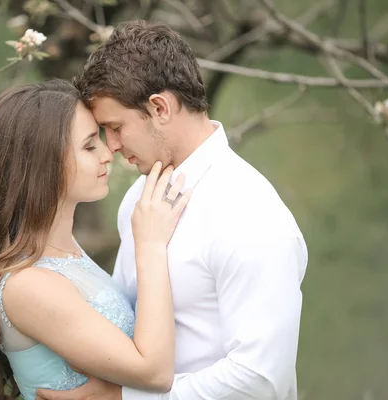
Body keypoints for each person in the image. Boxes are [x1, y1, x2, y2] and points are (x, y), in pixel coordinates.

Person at [36, 20, 308, 400]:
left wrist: (123, 398)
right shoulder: (137, 198)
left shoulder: (252, 216)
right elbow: (127, 325)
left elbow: (261, 379)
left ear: (160, 107)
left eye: (115, 127)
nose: (110, 146)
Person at [0, 79, 192, 400]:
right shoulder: (28, 284)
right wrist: (150, 246)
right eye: (89, 146)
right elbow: (155, 373)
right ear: (42, 165)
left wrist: (114, 393)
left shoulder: (66, 252)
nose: (108, 153)